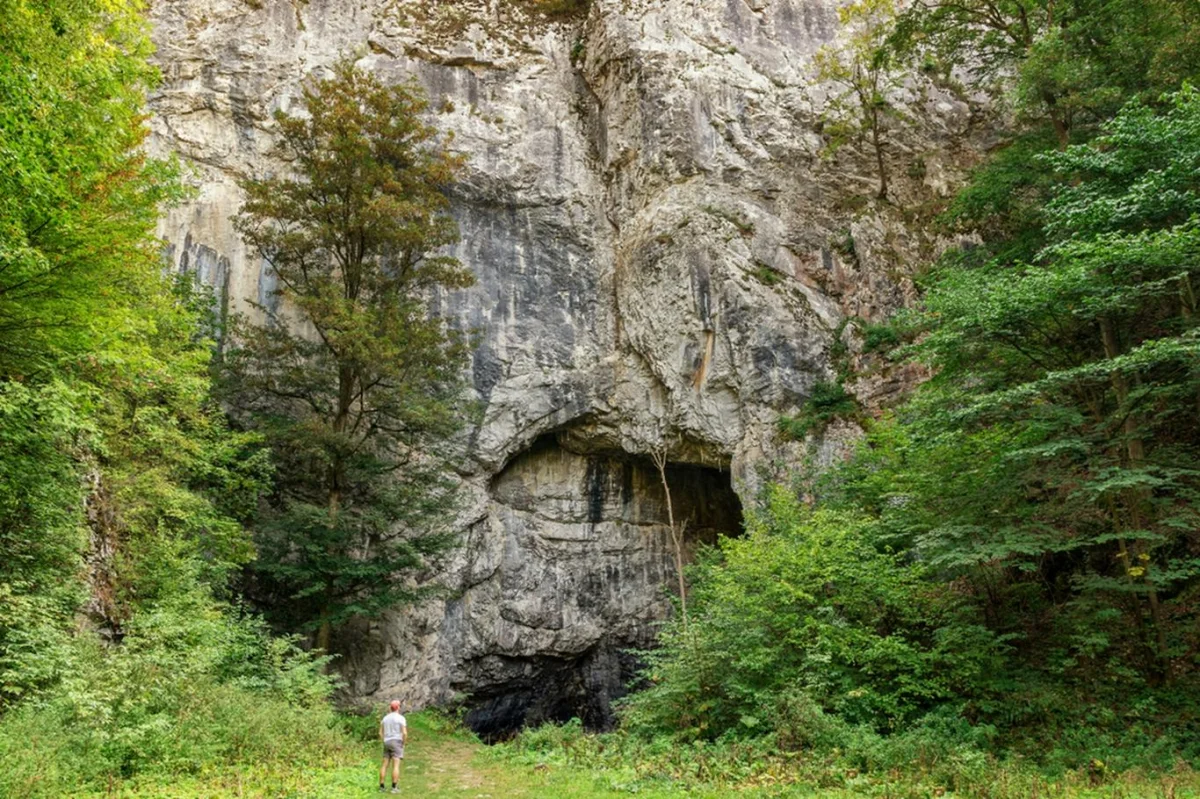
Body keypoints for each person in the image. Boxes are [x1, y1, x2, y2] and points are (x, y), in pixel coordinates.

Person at [379, 700, 407, 793]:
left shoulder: (385, 718)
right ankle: (394, 787)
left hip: (387, 741)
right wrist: (403, 743)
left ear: (390, 708)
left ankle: (382, 787)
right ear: (398, 707)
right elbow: (404, 733)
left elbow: (380, 732)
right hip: (397, 741)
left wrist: (384, 740)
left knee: (384, 765)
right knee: (396, 765)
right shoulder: (400, 718)